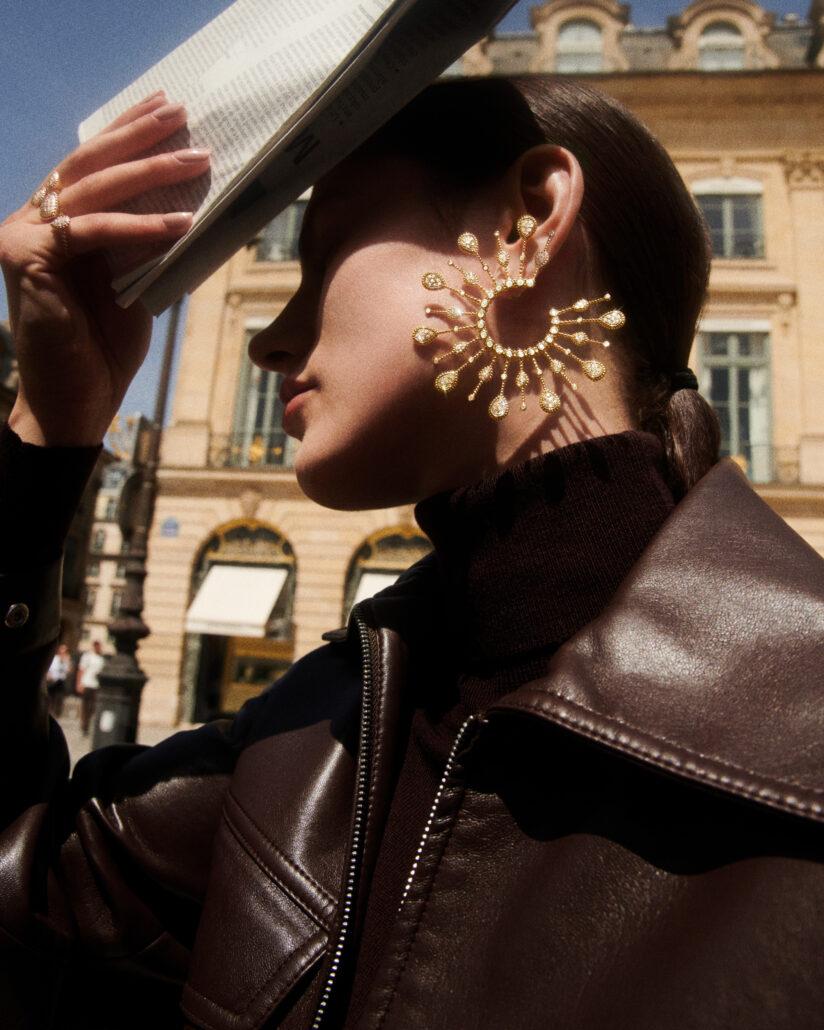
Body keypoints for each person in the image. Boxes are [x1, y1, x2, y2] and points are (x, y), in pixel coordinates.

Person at [0, 78, 822, 1030]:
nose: (269, 338)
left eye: (326, 249)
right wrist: (45, 442)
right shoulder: (308, 740)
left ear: (529, 223)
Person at [75, 639, 105, 734]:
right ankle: (84, 725)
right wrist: (79, 683)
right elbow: (81, 670)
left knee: (92, 707)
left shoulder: (101, 659)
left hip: (96, 685)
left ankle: (87, 722)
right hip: (87, 683)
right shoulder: (87, 656)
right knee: (85, 706)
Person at [44, 641, 72, 718]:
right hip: (52, 681)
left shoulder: (66, 660)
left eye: (66, 650)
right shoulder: (54, 658)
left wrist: (68, 660)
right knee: (50, 699)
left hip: (61, 682)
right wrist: (48, 676)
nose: (64, 652)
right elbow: (48, 669)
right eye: (62, 649)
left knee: (59, 700)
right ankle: (49, 714)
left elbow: (69, 671)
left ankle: (56, 715)